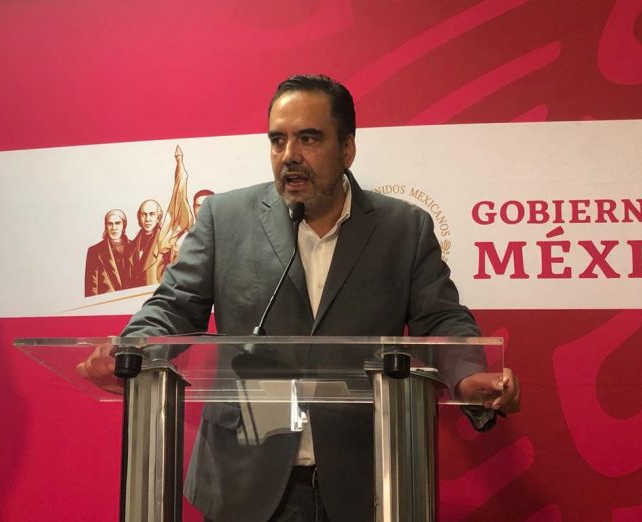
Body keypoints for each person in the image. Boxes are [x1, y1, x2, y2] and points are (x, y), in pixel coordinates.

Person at [79, 74, 520, 521]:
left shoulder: (404, 229)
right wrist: (130, 349)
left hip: (362, 480)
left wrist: (467, 376)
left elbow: (441, 319)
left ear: (347, 149)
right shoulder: (223, 219)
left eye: (308, 138)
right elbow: (174, 306)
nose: (289, 155)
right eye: (278, 140)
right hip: (245, 476)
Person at [84, 209, 132, 297]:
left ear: (124, 225)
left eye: (117, 223)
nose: (114, 228)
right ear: (106, 226)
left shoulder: (134, 247)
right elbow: (91, 290)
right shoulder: (94, 251)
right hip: (107, 303)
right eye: (110, 224)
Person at [128, 199, 164, 286]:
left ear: (158, 218)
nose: (147, 219)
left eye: (152, 214)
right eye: (144, 214)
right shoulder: (132, 245)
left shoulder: (165, 242)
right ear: (139, 218)